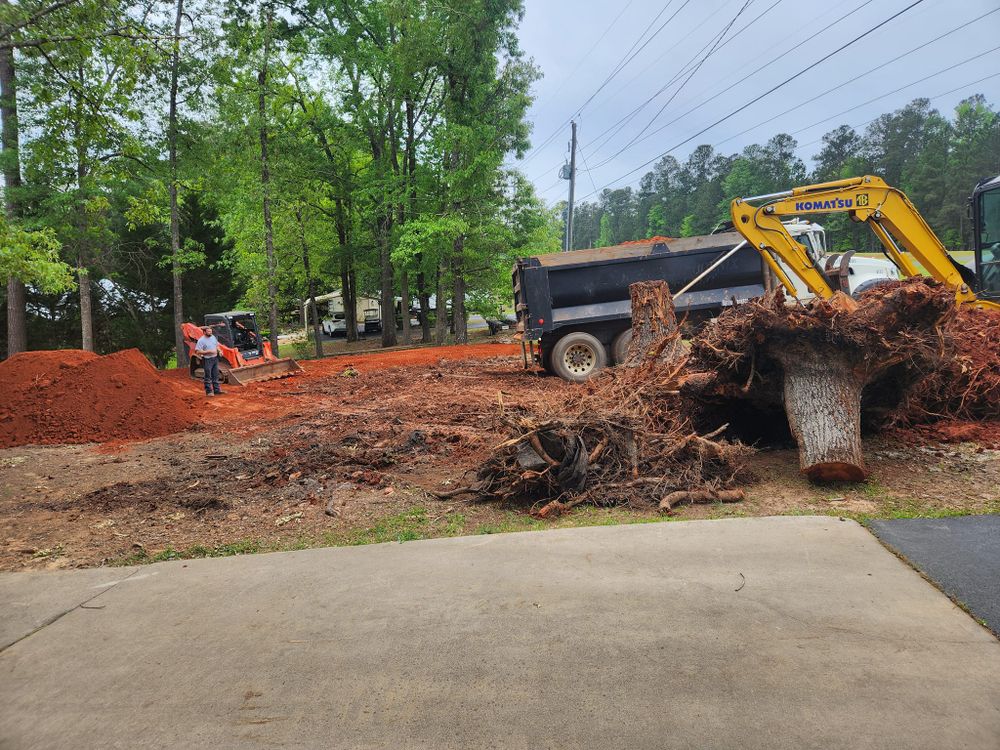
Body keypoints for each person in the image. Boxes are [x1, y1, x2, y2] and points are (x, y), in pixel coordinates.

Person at [194, 325, 225, 396]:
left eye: (211, 331)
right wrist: (208, 352)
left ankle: (217, 390)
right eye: (208, 331)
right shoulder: (201, 340)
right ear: (204, 332)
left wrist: (220, 351)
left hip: (215, 358)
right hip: (207, 359)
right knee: (208, 375)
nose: (210, 332)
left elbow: (217, 346)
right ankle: (209, 392)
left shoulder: (213, 337)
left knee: (215, 374)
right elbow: (197, 351)